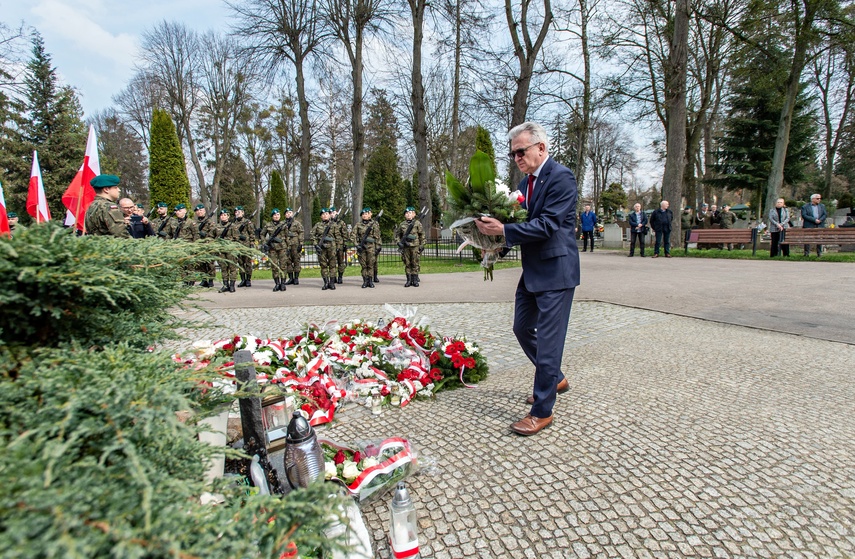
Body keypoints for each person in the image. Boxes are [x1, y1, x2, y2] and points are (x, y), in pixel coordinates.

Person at [474, 121, 579, 437]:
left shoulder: (561, 177)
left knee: (549, 343)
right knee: (521, 327)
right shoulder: (524, 184)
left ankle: (542, 411)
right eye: (513, 153)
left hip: (557, 272)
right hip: (533, 271)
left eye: (521, 151)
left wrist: (503, 231)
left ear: (541, 148)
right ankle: (555, 377)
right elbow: (518, 223)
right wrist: (493, 247)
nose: (517, 157)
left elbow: (546, 225)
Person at [164, 203, 199, 285]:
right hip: (178, 246)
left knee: (189, 264)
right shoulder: (173, 223)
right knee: (181, 264)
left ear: (185, 211)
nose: (177, 212)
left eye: (180, 211)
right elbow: (170, 234)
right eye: (176, 211)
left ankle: (191, 280)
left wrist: (195, 247)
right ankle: (184, 280)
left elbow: (196, 235)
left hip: (188, 245)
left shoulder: (191, 222)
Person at [395, 206, 425, 287]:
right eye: (407, 213)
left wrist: (422, 245)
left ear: (414, 214)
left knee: (414, 263)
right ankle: (409, 280)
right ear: (405, 215)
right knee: (407, 263)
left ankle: (415, 280)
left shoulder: (417, 223)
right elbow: (397, 235)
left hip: (415, 246)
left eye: (410, 213)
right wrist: (399, 243)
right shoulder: (402, 224)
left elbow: (422, 235)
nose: (408, 214)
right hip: (405, 246)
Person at [352, 207, 381, 288]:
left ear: (370, 215)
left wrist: (378, 247)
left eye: (366, 214)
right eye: (363, 214)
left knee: (370, 265)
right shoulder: (358, 225)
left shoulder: (374, 224)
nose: (365, 215)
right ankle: (365, 281)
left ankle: (370, 281)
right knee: (364, 265)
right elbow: (352, 236)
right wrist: (357, 245)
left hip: (371, 248)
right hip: (362, 248)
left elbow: (377, 237)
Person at [261, 208, 290, 292]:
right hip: (272, 248)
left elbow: (287, 236)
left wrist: (288, 247)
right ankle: (277, 283)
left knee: (283, 266)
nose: (276, 216)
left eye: (278, 215)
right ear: (272, 216)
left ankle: (283, 283)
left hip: (282, 247)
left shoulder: (283, 224)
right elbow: (262, 234)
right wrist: (264, 243)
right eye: (275, 215)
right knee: (274, 266)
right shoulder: (268, 225)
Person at [312, 207, 340, 290]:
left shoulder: (334, 225)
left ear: (329, 215)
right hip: (322, 248)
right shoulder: (317, 225)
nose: (325, 215)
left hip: (332, 247)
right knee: (323, 266)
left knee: (332, 265)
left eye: (326, 214)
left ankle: (331, 283)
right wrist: (316, 245)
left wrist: (338, 247)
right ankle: (326, 282)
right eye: (323, 214)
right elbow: (312, 235)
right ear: (321, 216)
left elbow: (338, 237)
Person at [215, 209, 240, 293]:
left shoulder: (232, 226)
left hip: (230, 249)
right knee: (223, 268)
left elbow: (237, 238)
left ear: (228, 216)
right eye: (221, 215)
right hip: (221, 250)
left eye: (225, 215)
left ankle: (232, 285)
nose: (223, 216)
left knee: (232, 267)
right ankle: (225, 285)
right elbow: (212, 236)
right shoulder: (217, 226)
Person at [195, 204, 218, 287]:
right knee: (201, 264)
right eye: (197, 211)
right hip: (199, 245)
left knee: (210, 264)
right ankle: (204, 280)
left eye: (200, 210)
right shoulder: (196, 223)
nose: (199, 212)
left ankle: (211, 280)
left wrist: (205, 235)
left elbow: (214, 233)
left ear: (204, 211)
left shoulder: (210, 222)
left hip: (208, 245)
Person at [233, 206, 256, 287]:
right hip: (237, 246)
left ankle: (248, 280)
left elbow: (252, 234)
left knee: (248, 263)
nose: (238, 213)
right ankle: (243, 279)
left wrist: (252, 243)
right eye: (236, 212)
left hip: (246, 245)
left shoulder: (247, 222)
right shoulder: (233, 223)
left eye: (239, 212)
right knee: (240, 263)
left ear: (243, 213)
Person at [282, 207, 304, 286]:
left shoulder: (297, 223)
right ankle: (290, 278)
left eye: (290, 213)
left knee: (296, 261)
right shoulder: (283, 223)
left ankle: (296, 278)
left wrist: (301, 243)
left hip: (295, 244)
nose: (289, 214)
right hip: (286, 245)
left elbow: (301, 232)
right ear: (285, 215)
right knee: (288, 261)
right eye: (287, 213)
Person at [330, 206, 348, 284]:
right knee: (332, 262)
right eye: (330, 213)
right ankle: (333, 277)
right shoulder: (329, 223)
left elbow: (345, 235)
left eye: (333, 213)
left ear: (336, 213)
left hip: (339, 245)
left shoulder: (341, 223)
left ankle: (340, 276)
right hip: (331, 245)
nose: (332, 215)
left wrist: (345, 244)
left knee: (340, 262)